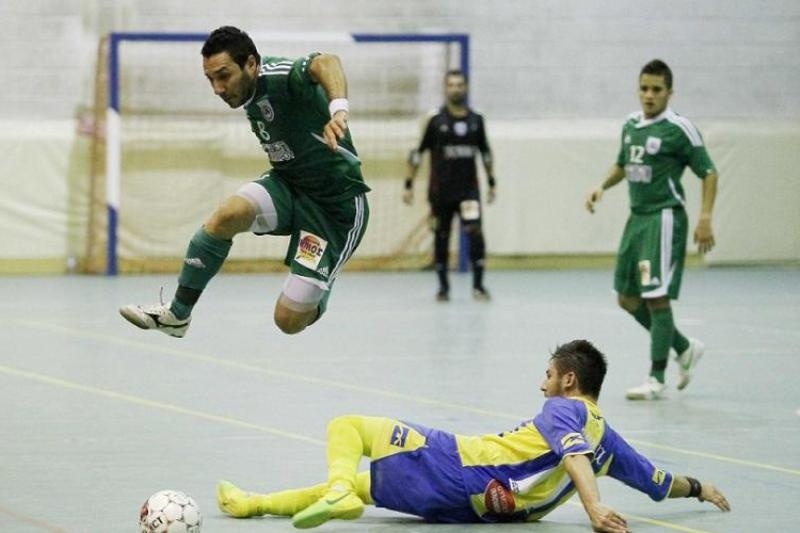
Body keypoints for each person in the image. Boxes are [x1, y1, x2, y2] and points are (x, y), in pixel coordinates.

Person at [215, 340, 730, 531]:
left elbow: (573, 456)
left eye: (548, 375)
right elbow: (656, 481)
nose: (543, 384)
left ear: (570, 380)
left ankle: (335, 490)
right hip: (479, 509)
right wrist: (700, 488)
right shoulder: (609, 442)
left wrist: (594, 508)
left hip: (456, 462)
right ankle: (253, 504)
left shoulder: (562, 411)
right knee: (366, 485)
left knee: (346, 427)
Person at [119, 26, 369, 337]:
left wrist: (339, 111)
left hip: (334, 208)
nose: (217, 88)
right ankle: (177, 315)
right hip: (289, 186)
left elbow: (327, 61)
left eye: (224, 76)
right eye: (210, 79)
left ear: (251, 64)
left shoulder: (278, 76)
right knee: (228, 215)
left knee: (288, 321)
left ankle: (322, 281)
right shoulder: (247, 93)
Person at [585, 59, 719, 400]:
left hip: (664, 218)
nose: (649, 95)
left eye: (656, 89)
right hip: (637, 219)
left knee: (656, 296)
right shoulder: (631, 124)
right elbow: (623, 163)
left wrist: (705, 217)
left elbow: (709, 172)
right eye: (644, 88)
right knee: (627, 298)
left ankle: (656, 378)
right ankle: (684, 347)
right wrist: (602, 185)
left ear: (669, 93)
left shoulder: (679, 129)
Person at [403, 69, 496, 302]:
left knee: (475, 234)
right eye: (451, 85)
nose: (456, 89)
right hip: (441, 193)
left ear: (466, 88)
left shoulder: (476, 120)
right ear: (445, 89)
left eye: (459, 85)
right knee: (441, 236)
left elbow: (485, 152)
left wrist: (492, 181)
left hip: (468, 193)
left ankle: (478, 286)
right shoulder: (435, 120)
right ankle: (443, 288)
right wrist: (408, 184)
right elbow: (417, 153)